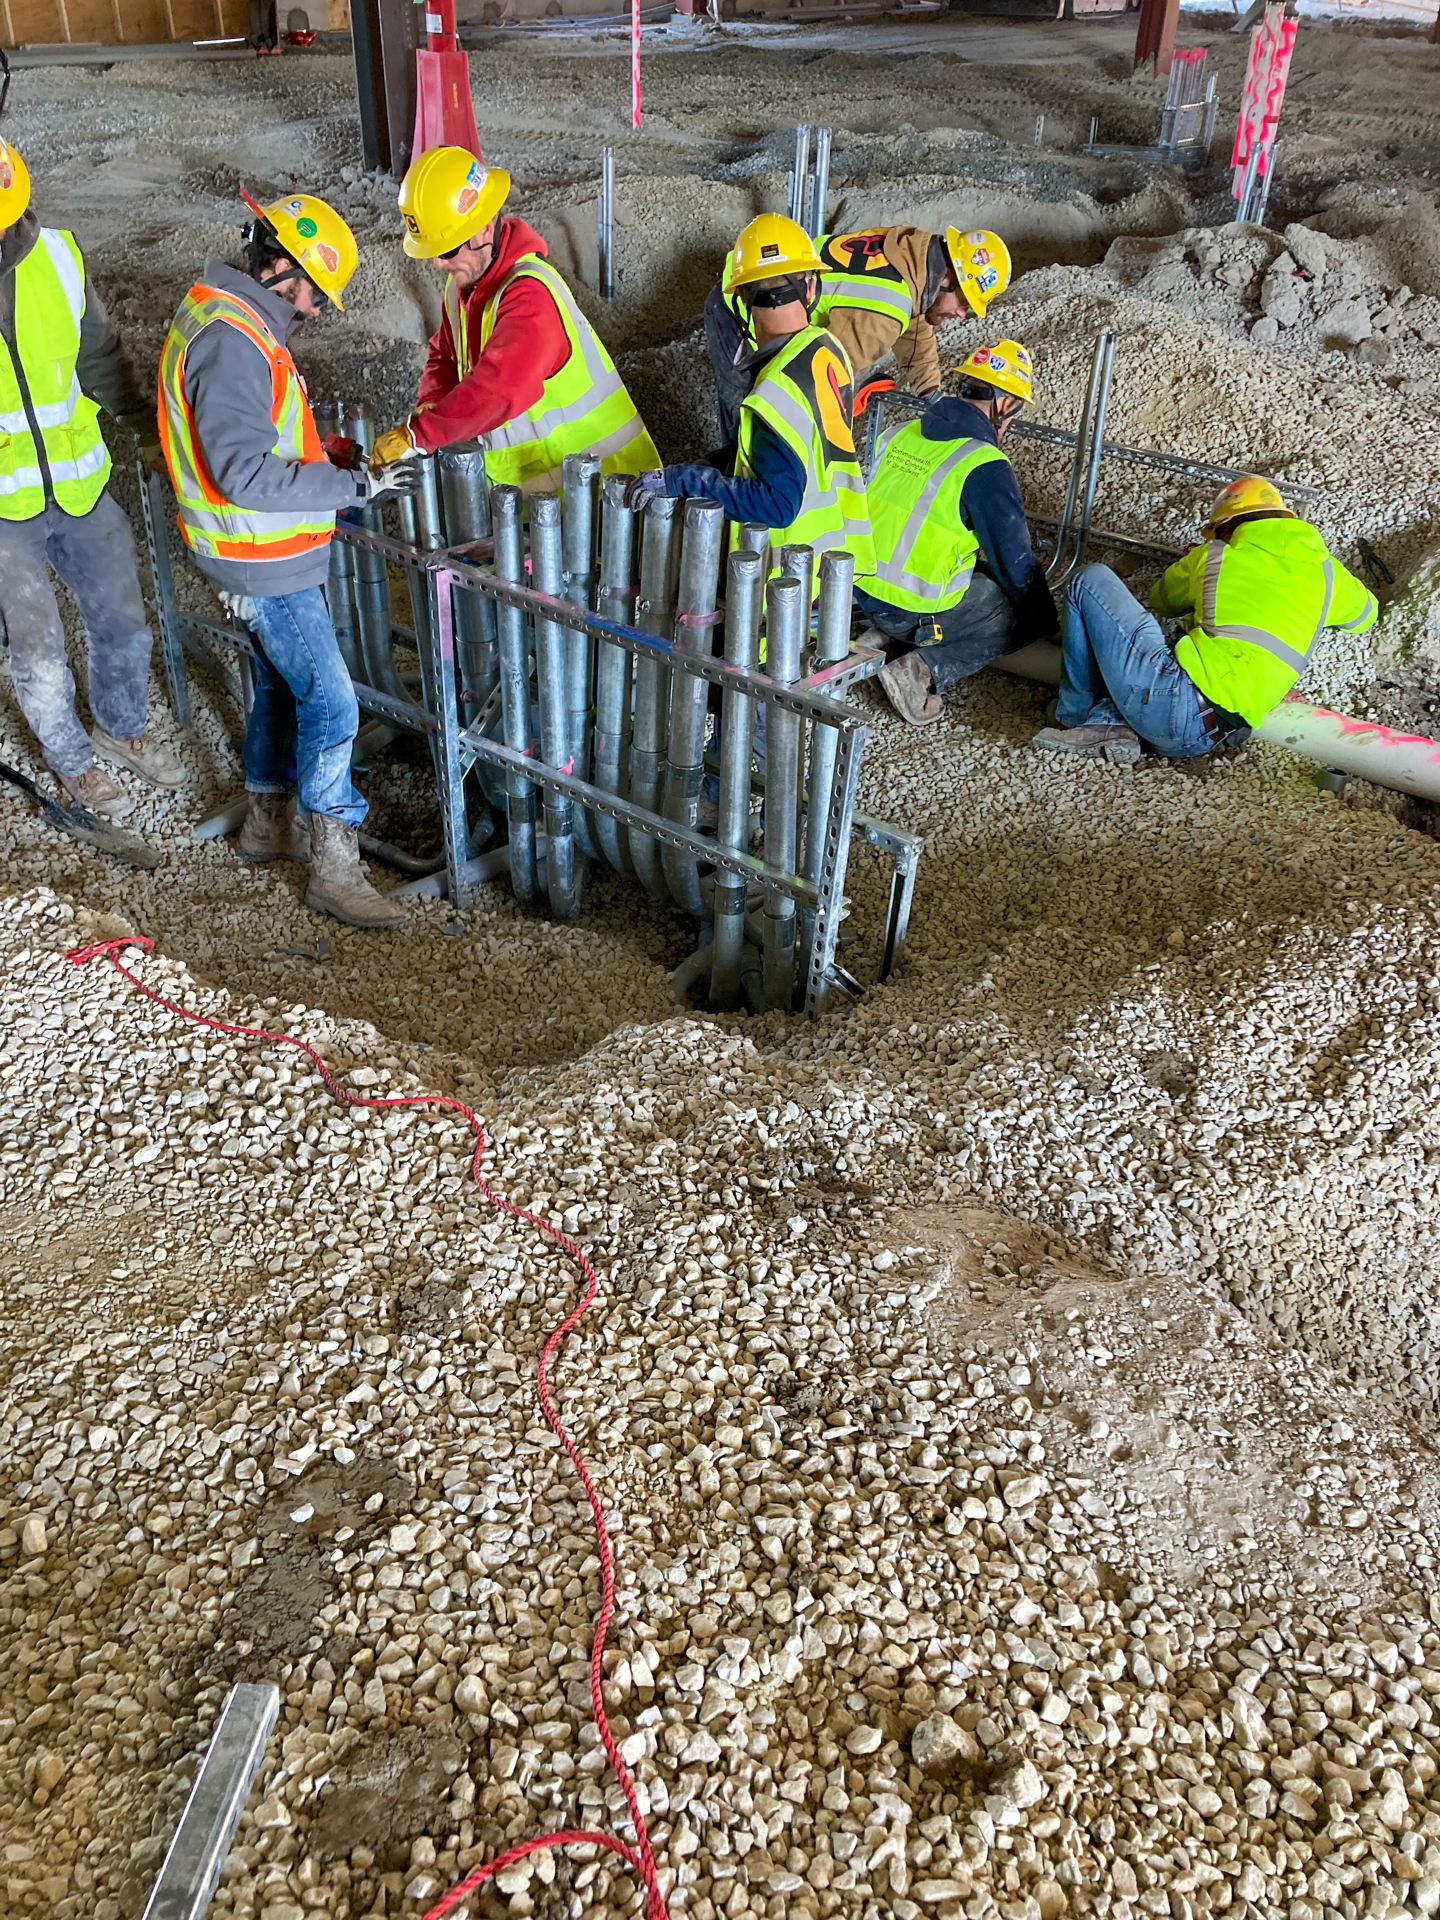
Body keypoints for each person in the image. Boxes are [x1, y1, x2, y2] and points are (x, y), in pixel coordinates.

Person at [158, 187, 422, 927]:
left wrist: (324, 453)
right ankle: (334, 869)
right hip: (261, 561)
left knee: (278, 686)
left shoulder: (227, 314)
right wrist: (350, 482)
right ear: (283, 269)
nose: (313, 313)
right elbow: (242, 470)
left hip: (254, 553)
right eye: (314, 296)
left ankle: (266, 825)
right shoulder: (233, 339)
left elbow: (257, 440)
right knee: (333, 701)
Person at [0, 134, 183, 824]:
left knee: (123, 623)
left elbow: (101, 360)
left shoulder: (58, 256)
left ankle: (120, 723)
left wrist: (148, 436)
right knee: (38, 647)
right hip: (3, 508)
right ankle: (72, 761)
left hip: (79, 484)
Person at [1033, 477, 1378, 767]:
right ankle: (1109, 724)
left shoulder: (1214, 555)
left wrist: (1196, 564)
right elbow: (1366, 616)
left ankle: (1074, 716)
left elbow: (1161, 600)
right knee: (1171, 665)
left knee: (1088, 580)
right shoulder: (1329, 574)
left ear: (1226, 526)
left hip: (1171, 704)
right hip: (1204, 737)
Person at [372, 146, 659, 488]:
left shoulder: (530, 295)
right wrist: (430, 407)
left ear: (483, 229)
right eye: (432, 252)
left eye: (447, 250)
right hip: (541, 502)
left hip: (606, 495)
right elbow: (445, 356)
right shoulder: (460, 289)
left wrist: (421, 434)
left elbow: (501, 388)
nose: (438, 264)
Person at [627, 215, 874, 582]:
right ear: (811, 289)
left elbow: (777, 504)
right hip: (830, 557)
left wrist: (687, 481)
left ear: (742, 298)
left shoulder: (773, 392)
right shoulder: (826, 348)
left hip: (783, 581)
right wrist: (708, 465)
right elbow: (794, 448)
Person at [857, 339, 1059, 726]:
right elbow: (1015, 564)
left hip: (861, 589)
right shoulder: (984, 465)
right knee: (1013, 611)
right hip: (908, 605)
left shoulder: (902, 433)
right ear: (1004, 405)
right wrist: (1046, 624)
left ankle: (885, 638)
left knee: (978, 575)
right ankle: (921, 669)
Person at [705, 222, 1011, 455]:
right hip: (743, 303)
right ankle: (736, 499)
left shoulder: (910, 256)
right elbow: (818, 379)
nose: (961, 314)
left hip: (757, 276)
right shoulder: (887, 310)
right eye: (965, 302)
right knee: (752, 418)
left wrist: (931, 392)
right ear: (946, 278)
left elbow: (916, 323)